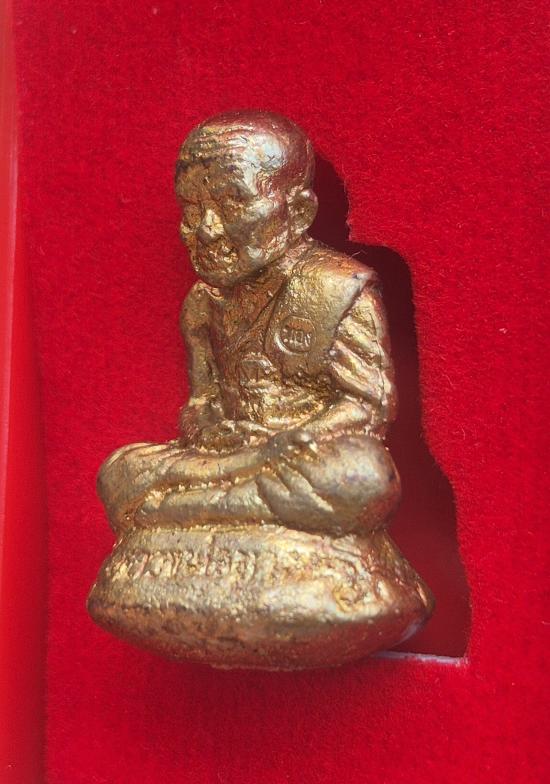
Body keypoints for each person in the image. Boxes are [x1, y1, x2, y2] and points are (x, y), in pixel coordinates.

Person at [97, 111, 400, 539]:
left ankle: (187, 511)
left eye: (233, 204)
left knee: (362, 475)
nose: (207, 230)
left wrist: (295, 439)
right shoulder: (204, 303)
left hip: (296, 456)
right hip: (233, 462)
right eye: (192, 210)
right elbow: (202, 401)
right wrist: (208, 429)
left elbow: (370, 406)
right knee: (121, 469)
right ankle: (226, 507)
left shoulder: (336, 290)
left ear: (298, 212)